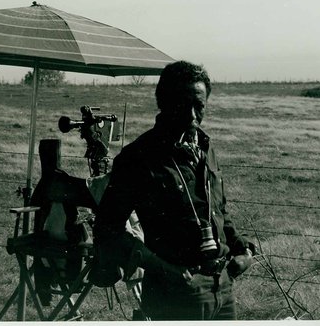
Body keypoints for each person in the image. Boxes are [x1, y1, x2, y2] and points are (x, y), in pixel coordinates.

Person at [90, 60, 255, 320]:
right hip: (174, 292)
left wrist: (244, 251)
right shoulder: (138, 157)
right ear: (163, 102)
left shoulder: (206, 148)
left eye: (199, 106)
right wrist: (161, 267)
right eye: (182, 104)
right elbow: (107, 229)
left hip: (222, 289)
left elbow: (219, 212)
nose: (192, 115)